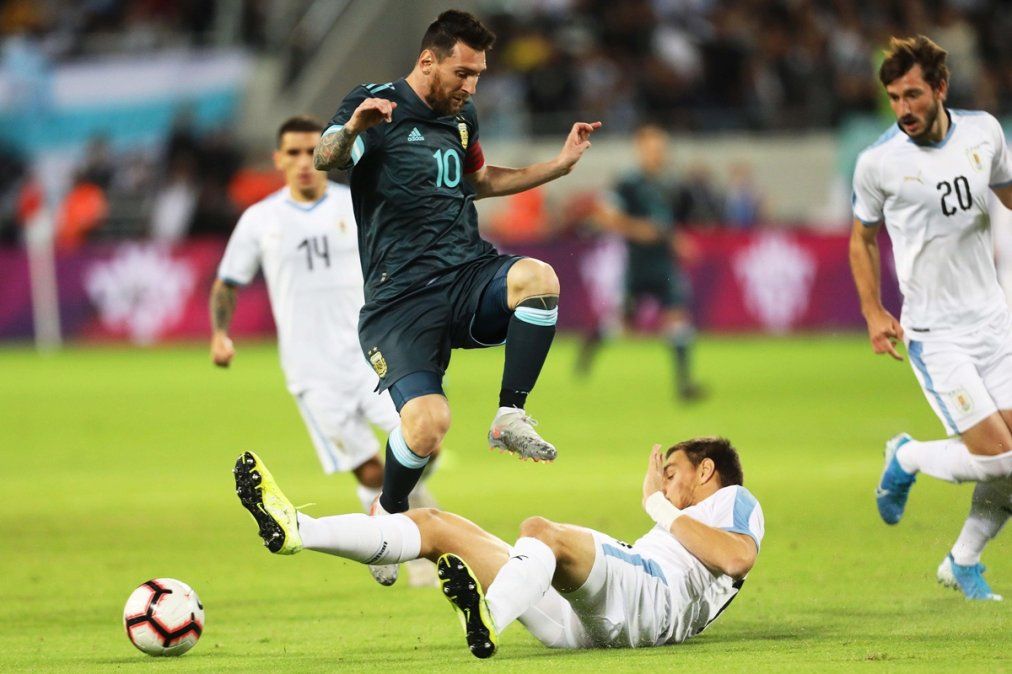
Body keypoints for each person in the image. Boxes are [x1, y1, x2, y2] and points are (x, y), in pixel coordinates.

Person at [313, 10, 601, 515]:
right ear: (428, 61)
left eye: (478, 75)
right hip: (400, 299)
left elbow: (480, 181)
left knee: (539, 279)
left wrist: (558, 166)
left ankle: (510, 415)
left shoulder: (462, 118)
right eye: (462, 73)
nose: (470, 86)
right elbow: (326, 156)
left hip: (467, 274)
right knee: (427, 425)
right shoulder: (374, 102)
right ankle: (389, 510)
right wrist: (354, 125)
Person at [232, 436, 763, 658]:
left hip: (654, 596)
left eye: (672, 473)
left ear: (707, 471)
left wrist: (659, 507)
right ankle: (301, 529)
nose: (664, 484)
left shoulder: (734, 500)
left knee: (542, 532)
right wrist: (664, 512)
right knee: (437, 526)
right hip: (587, 627)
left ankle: (491, 612)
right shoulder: (681, 521)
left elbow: (738, 558)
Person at [210, 116, 438, 587]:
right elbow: (227, 282)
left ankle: (386, 522)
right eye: (292, 152)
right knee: (370, 467)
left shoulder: (358, 204)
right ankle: (390, 540)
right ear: (278, 159)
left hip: (374, 353)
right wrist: (219, 333)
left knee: (425, 439)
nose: (303, 162)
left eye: (312, 151)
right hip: (312, 371)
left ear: (331, 152)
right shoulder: (260, 219)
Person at [849, 35, 1012, 601]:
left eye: (912, 94)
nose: (903, 109)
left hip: (995, 324)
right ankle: (908, 455)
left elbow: (1010, 195)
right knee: (998, 461)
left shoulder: (985, 134)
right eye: (893, 97)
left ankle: (961, 562)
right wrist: (873, 311)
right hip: (937, 337)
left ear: (940, 88)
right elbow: (861, 240)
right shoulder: (879, 163)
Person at [577, 123, 704, 401]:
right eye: (652, 149)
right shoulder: (628, 182)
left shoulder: (671, 183)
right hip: (637, 264)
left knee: (677, 316)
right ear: (640, 150)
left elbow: (666, 224)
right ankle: (591, 343)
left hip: (665, 265)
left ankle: (685, 384)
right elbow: (604, 216)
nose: (657, 154)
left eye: (661, 148)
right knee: (624, 323)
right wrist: (637, 230)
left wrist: (678, 241)